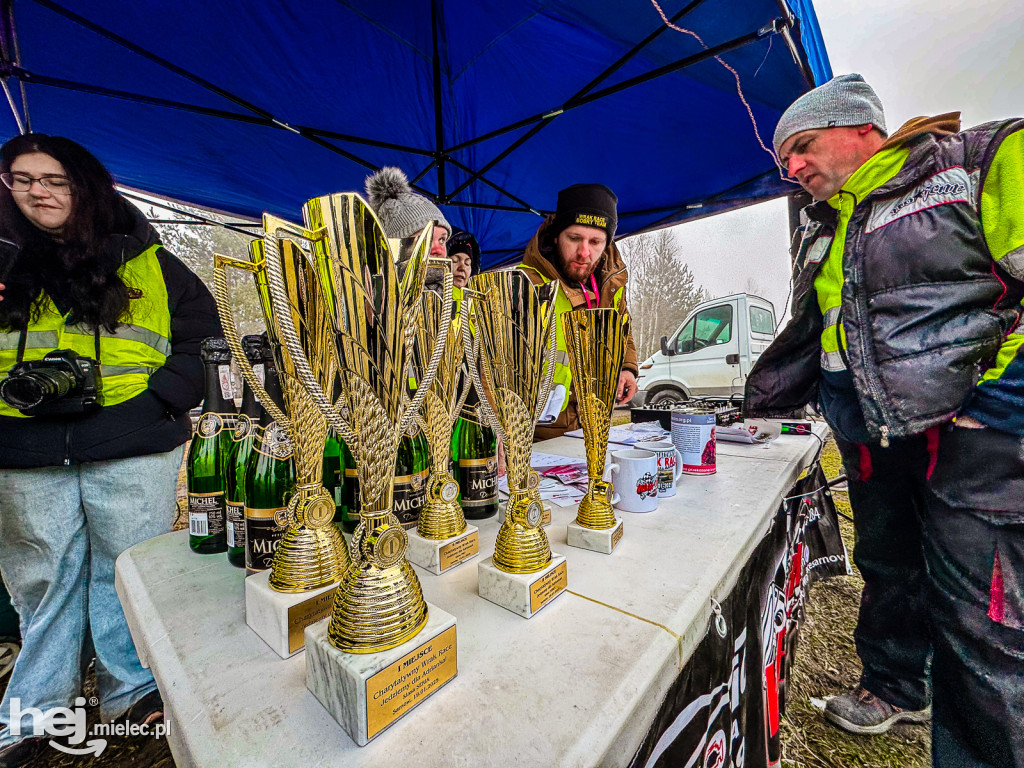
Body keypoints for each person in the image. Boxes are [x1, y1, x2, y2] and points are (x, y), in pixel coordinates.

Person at [744, 74, 1024, 766]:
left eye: (803, 147)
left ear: (863, 128)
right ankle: (897, 687)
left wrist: (995, 405)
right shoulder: (826, 227)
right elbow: (825, 332)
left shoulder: (977, 163)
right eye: (786, 159)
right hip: (870, 436)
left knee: (984, 627)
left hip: (970, 437)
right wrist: (774, 399)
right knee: (888, 566)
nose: (793, 168)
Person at [0, 134, 219, 765]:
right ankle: (34, 711)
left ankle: (131, 688)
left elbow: (201, 333)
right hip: (23, 444)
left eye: (55, 179)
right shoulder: (1, 255)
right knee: (42, 578)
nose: (38, 190)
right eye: (23, 178)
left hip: (133, 442)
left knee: (127, 569)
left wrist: (163, 401)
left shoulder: (149, 258)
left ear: (86, 186)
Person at [517, 183, 638, 440]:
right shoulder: (523, 284)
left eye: (595, 242)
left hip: (592, 429)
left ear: (607, 245)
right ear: (556, 236)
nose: (584, 252)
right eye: (574, 239)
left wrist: (626, 368)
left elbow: (623, 329)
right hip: (539, 437)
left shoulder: (611, 284)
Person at [365, 166, 450, 288]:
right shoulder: (373, 301)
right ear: (395, 245)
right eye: (424, 239)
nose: (438, 250)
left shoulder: (459, 302)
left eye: (442, 240)